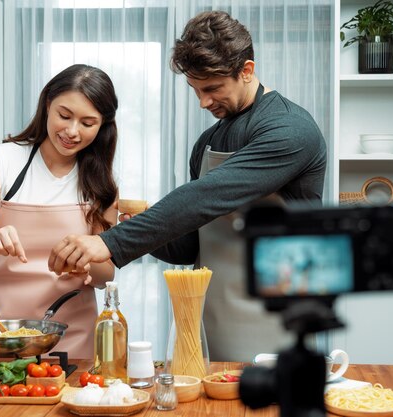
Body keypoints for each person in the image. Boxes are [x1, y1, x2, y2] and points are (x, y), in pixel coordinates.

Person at [49, 11, 327, 361]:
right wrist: (133, 222)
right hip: (213, 316)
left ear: (247, 70)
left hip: (278, 316)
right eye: (196, 90)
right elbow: (188, 246)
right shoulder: (207, 141)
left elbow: (206, 197)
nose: (203, 102)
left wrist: (109, 242)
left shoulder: (290, 130)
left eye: (212, 88)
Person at [0, 64, 119, 358]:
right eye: (64, 116)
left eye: (88, 123)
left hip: (73, 337)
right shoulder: (2, 161)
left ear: (102, 126)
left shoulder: (101, 183)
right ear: (47, 104)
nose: (72, 131)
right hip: (0, 334)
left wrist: (87, 258)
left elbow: (105, 276)